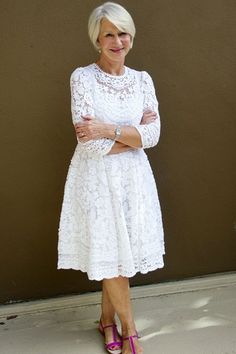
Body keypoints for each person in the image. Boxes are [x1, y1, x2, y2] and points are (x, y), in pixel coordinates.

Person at [57, 2, 165, 353]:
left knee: (120, 253)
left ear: (131, 36)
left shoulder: (142, 80)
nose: (117, 41)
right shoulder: (83, 78)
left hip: (134, 180)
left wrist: (106, 129)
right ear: (97, 40)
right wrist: (131, 137)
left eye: (123, 32)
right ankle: (129, 329)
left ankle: (106, 321)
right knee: (112, 252)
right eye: (109, 34)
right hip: (97, 180)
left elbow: (153, 136)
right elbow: (88, 146)